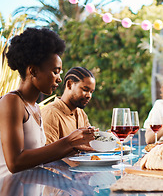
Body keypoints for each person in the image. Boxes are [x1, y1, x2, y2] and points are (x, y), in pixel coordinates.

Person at [0, 28, 96, 176]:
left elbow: (42, 158)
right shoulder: (12, 101)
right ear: (33, 71)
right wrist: (68, 142)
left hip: (33, 195)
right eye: (55, 71)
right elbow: (15, 163)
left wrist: (75, 147)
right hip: (11, 195)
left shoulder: (35, 107)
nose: (59, 79)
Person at [41, 67, 95, 144]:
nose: (89, 95)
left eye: (91, 92)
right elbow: (46, 153)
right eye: (85, 90)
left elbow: (90, 142)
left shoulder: (80, 113)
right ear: (69, 84)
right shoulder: (50, 114)